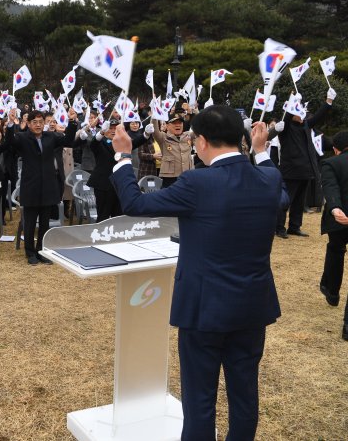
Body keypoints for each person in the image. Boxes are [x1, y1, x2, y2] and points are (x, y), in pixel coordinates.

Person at [110, 106, 289, 441]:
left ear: (202, 141)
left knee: (199, 399)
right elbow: (280, 191)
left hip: (204, 308)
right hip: (252, 305)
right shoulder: (267, 179)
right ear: (242, 138)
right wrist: (262, 152)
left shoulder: (197, 182)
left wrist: (122, 157)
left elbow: (136, 204)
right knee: (245, 392)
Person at [6, 109, 78, 265]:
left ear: (44, 123)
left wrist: (72, 123)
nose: (38, 125)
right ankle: (30, 252)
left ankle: (41, 250)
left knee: (45, 222)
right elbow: (10, 141)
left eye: (40, 122)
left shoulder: (50, 137)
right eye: (34, 122)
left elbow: (68, 141)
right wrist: (11, 124)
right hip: (30, 186)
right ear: (29, 124)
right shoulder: (23, 138)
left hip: (48, 186)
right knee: (30, 223)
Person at [271, 89, 335, 238]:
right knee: (286, 201)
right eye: (298, 112)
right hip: (291, 170)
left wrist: (328, 102)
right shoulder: (286, 128)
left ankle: (294, 226)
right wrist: (293, 99)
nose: (302, 115)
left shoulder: (305, 125)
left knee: (299, 202)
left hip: (306, 170)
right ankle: (279, 228)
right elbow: (286, 116)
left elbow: (318, 116)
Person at [318, 130, 348, 341]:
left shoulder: (332, 163)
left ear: (336, 149)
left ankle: (331, 290)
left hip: (339, 219)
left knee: (336, 250)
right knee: (335, 250)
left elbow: (330, 187)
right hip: (340, 216)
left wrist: (335, 208)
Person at [152, 108, 194, 188]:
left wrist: (195, 113)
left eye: (180, 123)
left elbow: (200, 131)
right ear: (167, 126)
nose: (178, 125)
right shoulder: (163, 137)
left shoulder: (188, 135)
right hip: (170, 178)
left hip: (187, 175)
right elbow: (155, 131)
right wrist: (154, 118)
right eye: (174, 123)